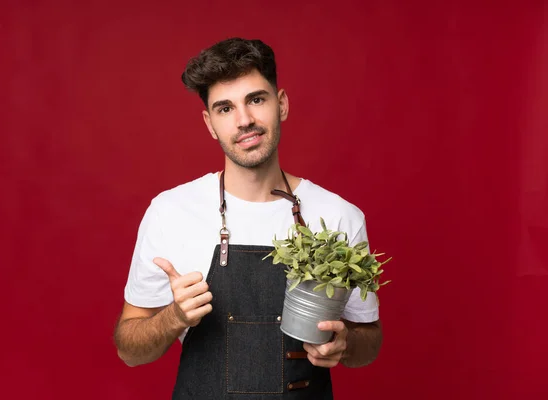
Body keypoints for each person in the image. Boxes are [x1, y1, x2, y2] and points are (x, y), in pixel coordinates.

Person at [114, 37, 383, 399]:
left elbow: (370, 341)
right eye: (225, 109)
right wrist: (174, 317)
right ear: (210, 124)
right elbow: (129, 350)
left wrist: (346, 342)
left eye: (256, 99)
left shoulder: (338, 215)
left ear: (282, 104)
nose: (245, 121)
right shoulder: (170, 211)